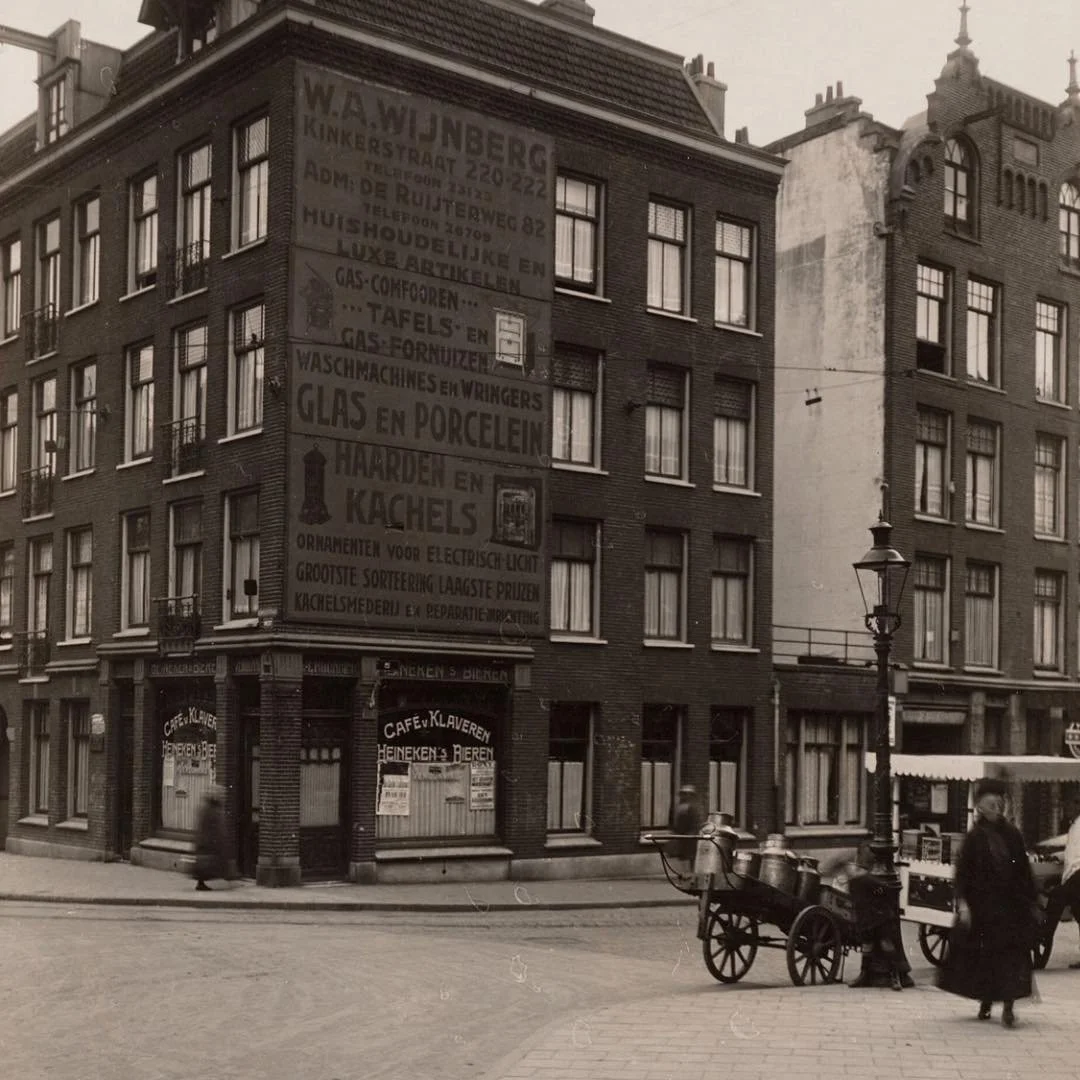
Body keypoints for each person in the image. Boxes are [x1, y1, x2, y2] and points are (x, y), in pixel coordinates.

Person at [938, 778, 1039, 1028]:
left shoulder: (1013, 835)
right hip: (983, 908)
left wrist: (1031, 902)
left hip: (1011, 908)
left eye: (999, 801)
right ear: (981, 807)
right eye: (991, 802)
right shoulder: (974, 838)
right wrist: (963, 904)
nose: (996, 805)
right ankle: (985, 999)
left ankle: (1008, 1007)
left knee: (1010, 958)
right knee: (985, 957)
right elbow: (963, 873)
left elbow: (1024, 872)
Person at [845, 841, 914, 990]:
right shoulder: (856, 881)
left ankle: (894, 976)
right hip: (867, 919)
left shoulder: (867, 880)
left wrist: (876, 899)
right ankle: (864, 974)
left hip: (879, 918)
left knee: (885, 944)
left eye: (854, 868)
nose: (852, 870)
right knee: (867, 946)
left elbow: (885, 891)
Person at [1042, 794, 1080, 969]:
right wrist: (1058, 857)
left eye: (1069, 806)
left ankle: (1045, 933)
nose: (1066, 810)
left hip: (1078, 875)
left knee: (1057, 895)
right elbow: (1072, 852)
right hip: (1073, 874)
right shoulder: (1074, 826)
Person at [192, 785, 230, 891]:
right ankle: (201, 883)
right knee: (207, 863)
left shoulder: (210, 807)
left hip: (206, 841)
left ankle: (201, 882)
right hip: (208, 841)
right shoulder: (210, 808)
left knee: (205, 863)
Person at [666, 784, 705, 878]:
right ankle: (687, 873)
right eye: (683, 794)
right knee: (685, 855)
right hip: (686, 835)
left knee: (688, 855)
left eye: (686, 794)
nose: (684, 796)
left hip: (689, 835)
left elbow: (694, 822)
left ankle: (689, 874)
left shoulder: (687, 807)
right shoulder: (683, 807)